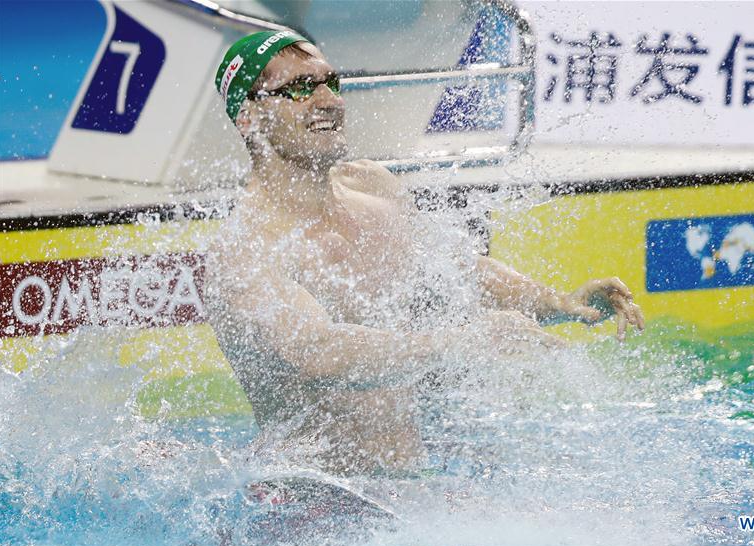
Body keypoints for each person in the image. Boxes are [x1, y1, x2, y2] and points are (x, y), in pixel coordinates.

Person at [206, 30, 644, 478]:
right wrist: (463, 343)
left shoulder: (371, 187)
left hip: (407, 490)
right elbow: (317, 353)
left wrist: (558, 302)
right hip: (313, 505)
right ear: (248, 117)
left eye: (331, 83)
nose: (328, 101)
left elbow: (456, 272)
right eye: (300, 88)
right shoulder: (244, 249)